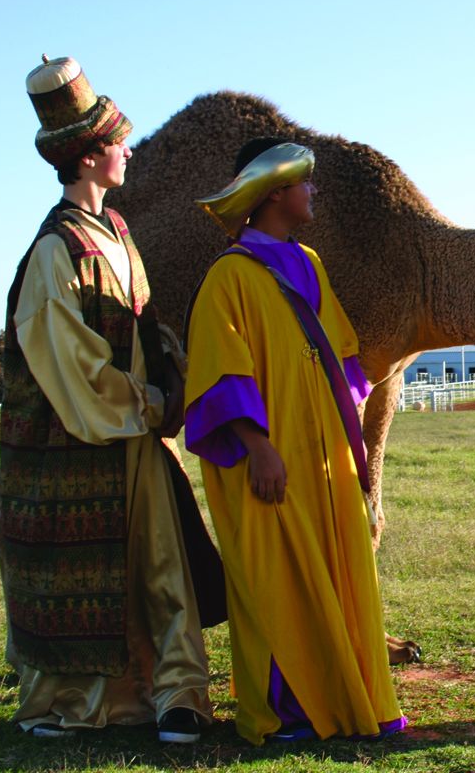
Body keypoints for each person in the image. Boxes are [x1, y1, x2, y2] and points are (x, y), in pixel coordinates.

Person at [0, 55, 216, 742]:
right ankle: (75, 704)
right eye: (119, 142)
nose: (129, 151)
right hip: (80, 442)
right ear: (89, 158)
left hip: (136, 434)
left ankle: (176, 696)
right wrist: (146, 401)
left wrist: (170, 375)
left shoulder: (117, 233)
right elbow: (69, 363)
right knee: (86, 576)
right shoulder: (56, 250)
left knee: (164, 566)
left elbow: (141, 329)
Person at [185, 137, 405, 745]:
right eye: (305, 183)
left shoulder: (308, 262)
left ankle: (344, 696)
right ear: (276, 191)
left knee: (336, 572)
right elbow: (219, 372)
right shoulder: (228, 277)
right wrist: (259, 447)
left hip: (322, 459)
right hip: (269, 461)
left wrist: (348, 448)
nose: (313, 193)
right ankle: (284, 713)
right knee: (275, 579)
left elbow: (343, 363)